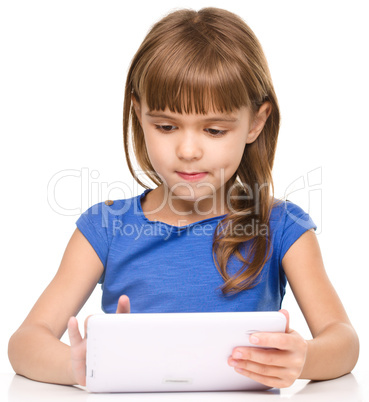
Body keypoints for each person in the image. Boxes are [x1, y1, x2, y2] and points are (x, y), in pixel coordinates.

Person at [8, 7, 359, 390]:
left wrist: (303, 357)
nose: (188, 150)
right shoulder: (106, 228)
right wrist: (78, 365)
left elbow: (343, 341)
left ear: (255, 123)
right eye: (166, 126)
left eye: (213, 129)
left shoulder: (282, 227)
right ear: (139, 115)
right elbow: (25, 342)